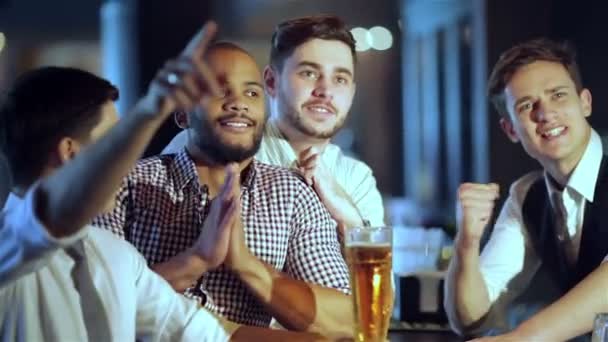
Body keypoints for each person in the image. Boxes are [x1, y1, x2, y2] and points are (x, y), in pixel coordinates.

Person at [0, 22, 325, 342]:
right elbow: (50, 213)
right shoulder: (10, 242)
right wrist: (152, 108)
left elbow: (209, 335)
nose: (128, 161)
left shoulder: (113, 255)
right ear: (69, 154)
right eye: (116, 143)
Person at [92, 39, 353, 338]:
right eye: (219, 90)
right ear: (183, 113)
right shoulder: (126, 186)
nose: (239, 103)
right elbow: (94, 305)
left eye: (252, 93)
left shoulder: (292, 195)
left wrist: (245, 264)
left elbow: (347, 324)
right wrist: (197, 259)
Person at [444, 38, 608, 340]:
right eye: (527, 105)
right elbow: (469, 320)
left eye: (558, 95)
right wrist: (466, 242)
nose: (545, 114)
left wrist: (520, 339)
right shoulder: (527, 194)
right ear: (510, 130)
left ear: (585, 102)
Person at [163, 15, 385, 238]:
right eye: (309, 73)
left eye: (340, 79)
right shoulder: (202, 145)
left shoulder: (356, 178)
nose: (326, 91)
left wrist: (345, 213)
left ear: (352, 93)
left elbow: (379, 271)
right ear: (271, 82)